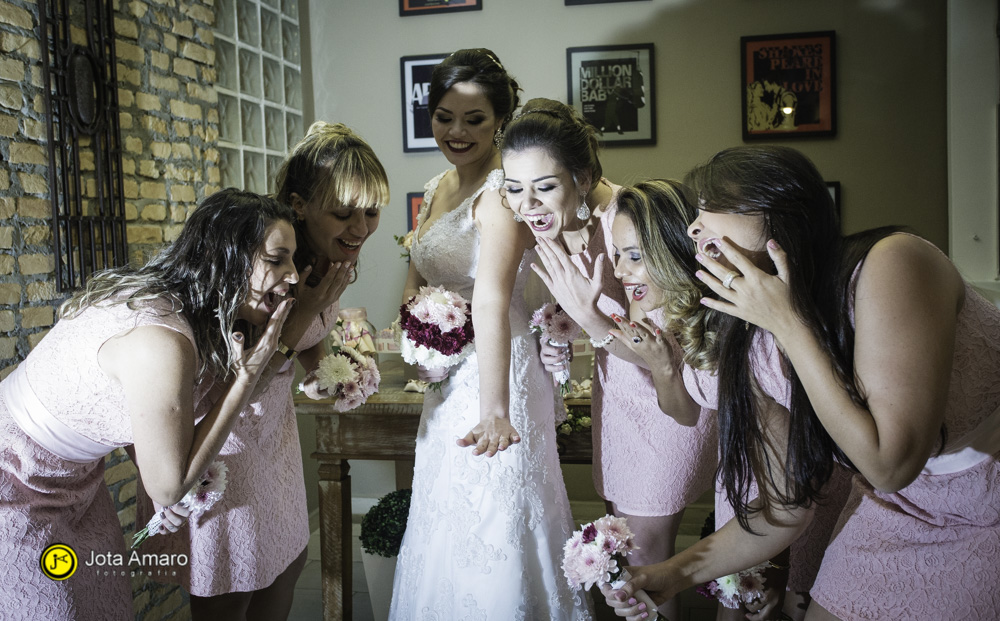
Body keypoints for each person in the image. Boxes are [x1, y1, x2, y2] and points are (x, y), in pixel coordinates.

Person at [604, 146, 1000, 620]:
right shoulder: (747, 340)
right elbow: (782, 509)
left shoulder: (892, 262)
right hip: (895, 507)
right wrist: (672, 575)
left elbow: (890, 465)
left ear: (778, 214)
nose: (694, 226)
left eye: (712, 207)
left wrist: (788, 324)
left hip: (986, 499)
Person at [0, 189, 296, 620]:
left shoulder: (179, 312)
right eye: (276, 259)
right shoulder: (163, 341)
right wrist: (247, 376)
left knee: (106, 603)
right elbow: (169, 486)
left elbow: (120, 408)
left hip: (78, 480)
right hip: (15, 475)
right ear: (226, 257)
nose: (292, 275)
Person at [137, 122, 388, 620]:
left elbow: (304, 363)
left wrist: (340, 371)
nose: (359, 227)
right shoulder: (258, 267)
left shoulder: (328, 269)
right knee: (231, 593)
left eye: (371, 212)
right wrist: (301, 319)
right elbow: (245, 374)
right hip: (228, 451)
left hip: (277, 449)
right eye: (343, 213)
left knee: (286, 575)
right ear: (299, 207)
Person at [389, 50, 590, 619]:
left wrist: (496, 407)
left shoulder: (505, 193)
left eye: (474, 119)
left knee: (494, 509)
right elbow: (416, 275)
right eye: (445, 116)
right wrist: (418, 339)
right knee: (445, 512)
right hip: (445, 374)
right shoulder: (436, 188)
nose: (457, 131)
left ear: (500, 120)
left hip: (498, 372)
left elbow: (494, 297)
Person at [505, 100, 716, 621]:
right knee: (625, 553)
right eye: (514, 189)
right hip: (619, 400)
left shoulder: (627, 220)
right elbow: (599, 317)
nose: (528, 203)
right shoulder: (549, 228)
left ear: (582, 177)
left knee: (646, 563)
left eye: (544, 186)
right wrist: (563, 330)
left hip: (665, 406)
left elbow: (665, 335)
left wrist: (589, 321)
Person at [606, 179, 850, 621]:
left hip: (800, 471)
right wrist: (662, 368)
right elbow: (689, 413)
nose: (621, 271)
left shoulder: (740, 321)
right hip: (748, 470)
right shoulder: (682, 315)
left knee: (790, 601)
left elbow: (793, 444)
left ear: (676, 248)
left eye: (636, 257)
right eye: (618, 255)